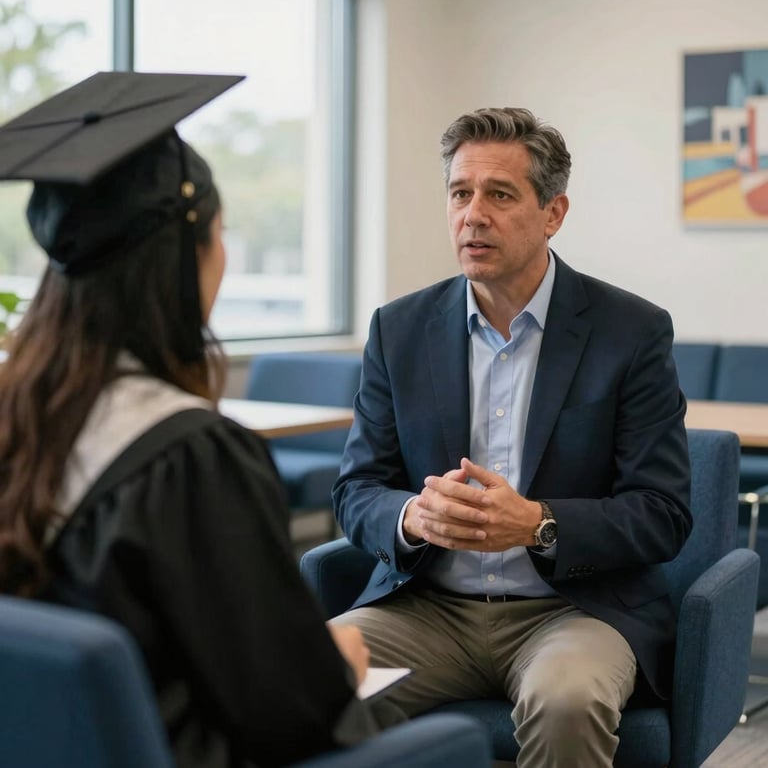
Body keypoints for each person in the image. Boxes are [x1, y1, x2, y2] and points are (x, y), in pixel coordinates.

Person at [0, 72, 390, 768]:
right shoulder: (190, 458)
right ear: (187, 253)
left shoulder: (20, 423)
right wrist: (337, 664)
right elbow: (289, 717)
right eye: (219, 233)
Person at [331, 106, 692, 767]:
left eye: (500, 194)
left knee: (566, 701)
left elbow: (663, 515)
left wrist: (537, 524)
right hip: (426, 609)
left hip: (572, 610)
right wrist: (412, 515)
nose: (474, 214)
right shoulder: (399, 329)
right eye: (460, 193)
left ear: (553, 213)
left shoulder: (631, 332)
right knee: (306, 676)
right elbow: (357, 490)